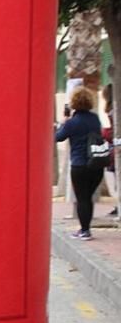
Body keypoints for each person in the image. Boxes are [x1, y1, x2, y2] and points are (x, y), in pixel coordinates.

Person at [56, 86, 105, 241]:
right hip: (96, 163)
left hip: (79, 165)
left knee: (82, 198)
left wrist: (64, 122)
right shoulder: (95, 118)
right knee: (88, 197)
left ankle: (85, 230)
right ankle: (85, 228)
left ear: (74, 103)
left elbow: (58, 137)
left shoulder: (72, 122)